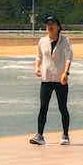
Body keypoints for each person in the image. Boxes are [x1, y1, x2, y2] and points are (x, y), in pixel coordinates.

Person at [31, 16, 72, 146]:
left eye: (52, 24)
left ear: (58, 27)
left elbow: (68, 58)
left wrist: (66, 73)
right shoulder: (42, 41)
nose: (49, 26)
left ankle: (65, 135)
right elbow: (38, 56)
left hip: (60, 79)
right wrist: (37, 67)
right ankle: (39, 136)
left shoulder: (65, 41)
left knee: (62, 107)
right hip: (46, 79)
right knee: (43, 107)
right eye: (48, 24)